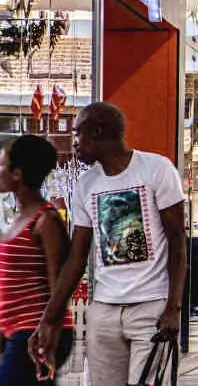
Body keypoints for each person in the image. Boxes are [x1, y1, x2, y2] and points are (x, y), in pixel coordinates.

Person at [29, 103, 188, 386]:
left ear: (98, 131)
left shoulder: (156, 169)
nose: (74, 142)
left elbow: (178, 242)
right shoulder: (86, 184)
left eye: (77, 134)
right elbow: (76, 258)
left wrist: (173, 308)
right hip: (104, 310)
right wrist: (48, 319)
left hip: (151, 307)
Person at [0, 136, 75, 385]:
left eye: (1, 165)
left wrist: (48, 334)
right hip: (16, 331)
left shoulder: (46, 221)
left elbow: (59, 286)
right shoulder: (18, 219)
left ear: (17, 174)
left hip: (36, 332)